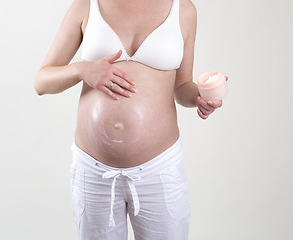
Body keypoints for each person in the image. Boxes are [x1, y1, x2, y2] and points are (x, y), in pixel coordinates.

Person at [33, 0, 227, 239]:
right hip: (94, 172)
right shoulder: (87, 5)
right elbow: (41, 81)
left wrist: (199, 96)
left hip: (159, 169)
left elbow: (182, 85)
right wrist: (82, 70)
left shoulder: (184, 10)